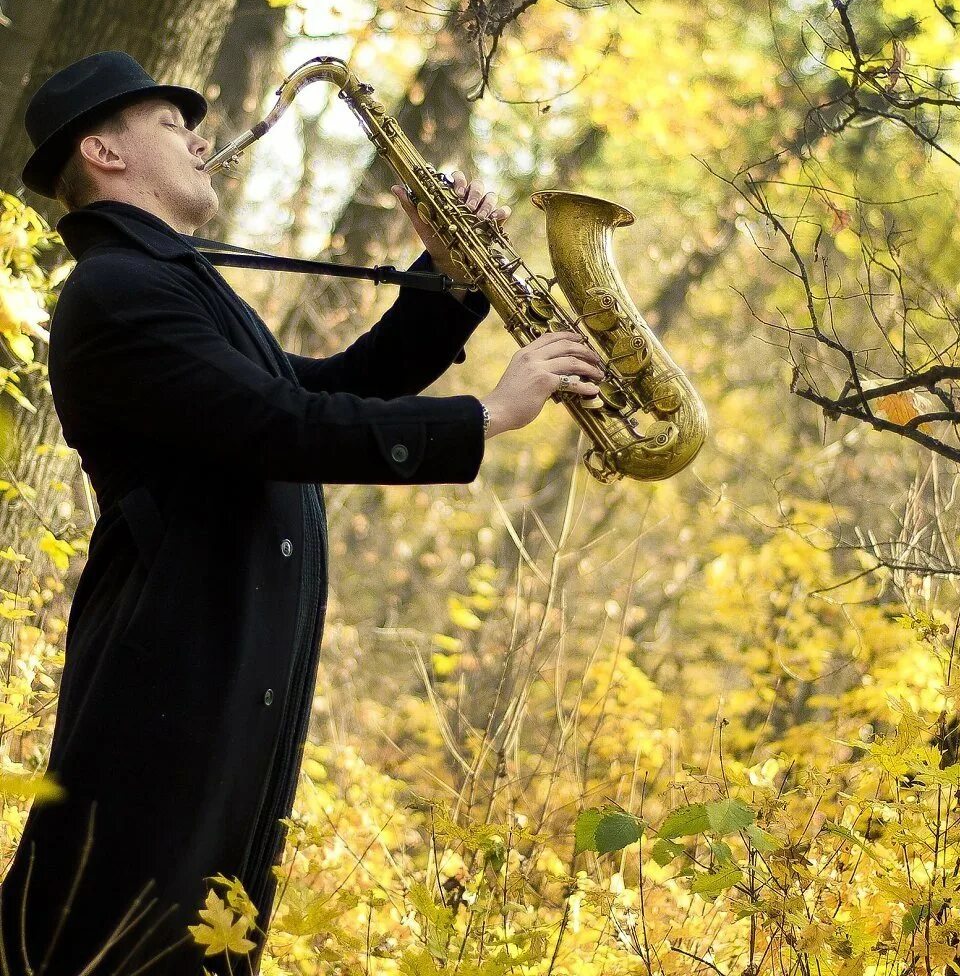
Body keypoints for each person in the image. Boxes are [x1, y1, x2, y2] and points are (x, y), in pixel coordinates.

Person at [0, 51, 605, 975]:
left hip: (221, 662)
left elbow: (319, 389)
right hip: (172, 671)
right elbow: (282, 424)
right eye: (170, 124)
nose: (199, 138)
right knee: (115, 927)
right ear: (102, 151)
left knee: (204, 933)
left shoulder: (172, 283)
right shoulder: (118, 293)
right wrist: (486, 414)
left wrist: (448, 280)